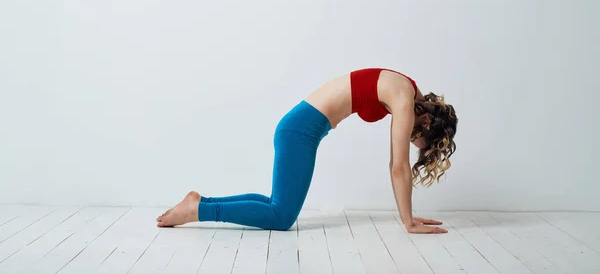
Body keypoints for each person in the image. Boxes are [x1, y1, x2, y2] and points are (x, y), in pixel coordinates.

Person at [156, 68, 457, 234]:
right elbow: (398, 165)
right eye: (421, 141)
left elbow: (397, 162)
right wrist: (409, 221)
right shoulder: (404, 96)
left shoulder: (404, 88)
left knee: (277, 205)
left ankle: (200, 201)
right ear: (427, 120)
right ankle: (198, 210)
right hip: (299, 131)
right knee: (281, 217)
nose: (413, 142)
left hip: (300, 128)